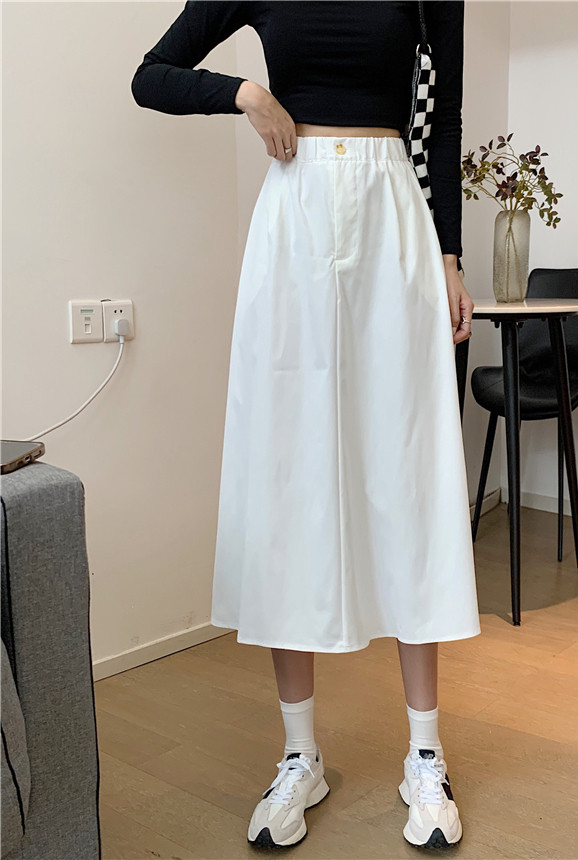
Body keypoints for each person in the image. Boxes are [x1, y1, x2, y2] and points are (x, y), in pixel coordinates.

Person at [131, 0, 480, 850]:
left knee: (407, 468)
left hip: (395, 217)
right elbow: (151, 77)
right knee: (288, 470)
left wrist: (448, 255)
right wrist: (246, 94)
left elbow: (443, 118)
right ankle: (300, 756)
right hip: (293, 219)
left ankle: (425, 754)